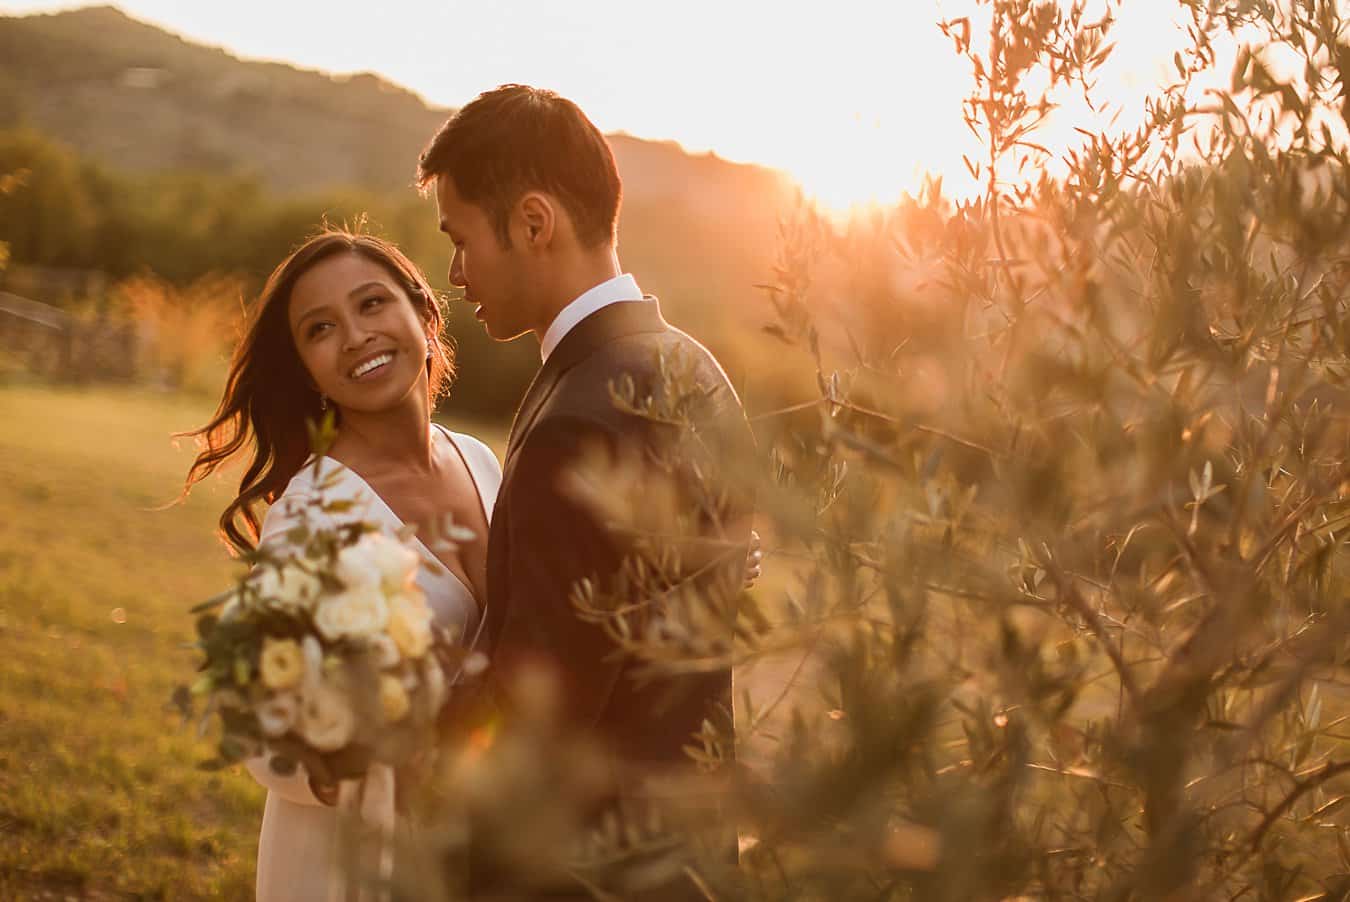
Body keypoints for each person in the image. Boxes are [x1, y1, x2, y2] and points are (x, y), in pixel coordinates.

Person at [418, 84, 757, 898]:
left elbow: (541, 716)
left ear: (535, 223)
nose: (455, 273)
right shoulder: (691, 367)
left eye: (461, 240)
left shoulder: (580, 417)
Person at [181, 230, 501, 902]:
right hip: (350, 864)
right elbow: (267, 727)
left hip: (477, 846)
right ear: (305, 368)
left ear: (423, 312)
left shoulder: (480, 460)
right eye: (321, 328)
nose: (356, 336)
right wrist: (356, 753)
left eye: (373, 304)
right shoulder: (314, 514)